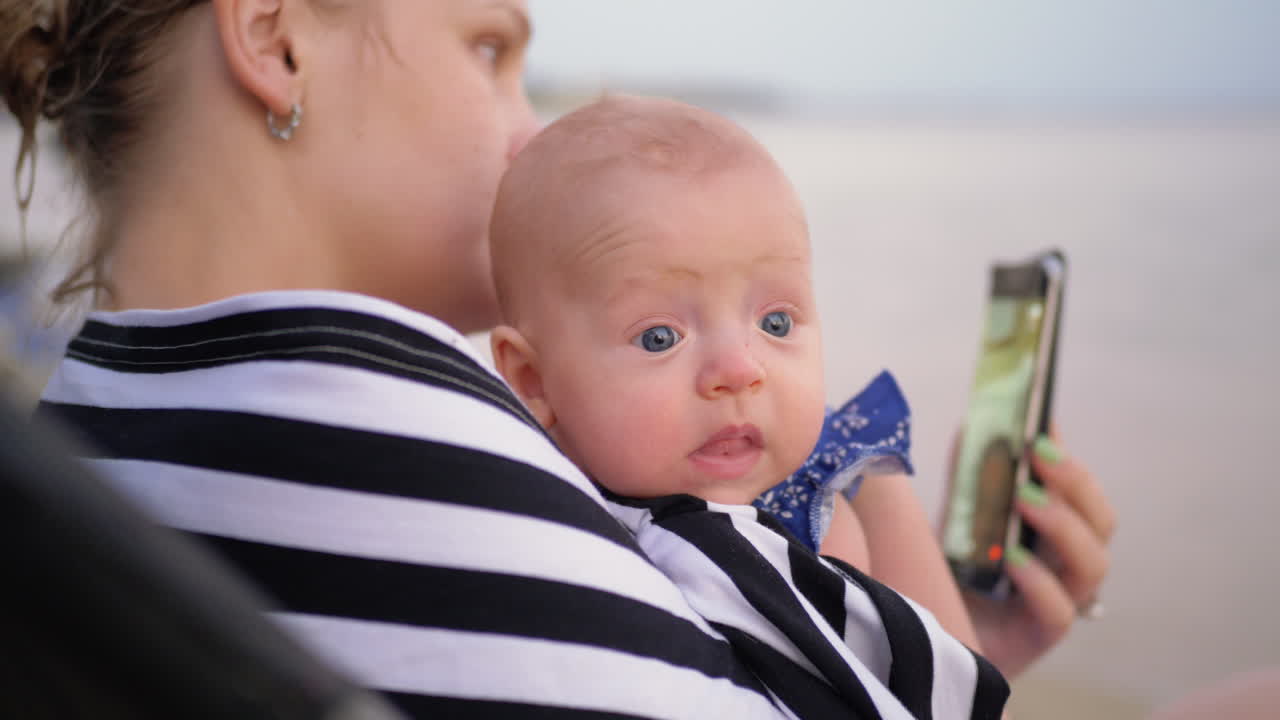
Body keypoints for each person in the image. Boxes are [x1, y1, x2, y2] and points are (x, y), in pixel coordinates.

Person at [1, 0, 1112, 714]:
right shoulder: (391, 434)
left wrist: (913, 636)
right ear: (278, 39)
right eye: (489, 50)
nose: (529, 131)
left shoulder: (105, 420)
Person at [487, 94, 1007, 716]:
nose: (740, 370)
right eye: (660, 337)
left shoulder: (825, 497)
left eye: (778, 323)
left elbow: (956, 683)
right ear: (534, 379)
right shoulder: (543, 534)